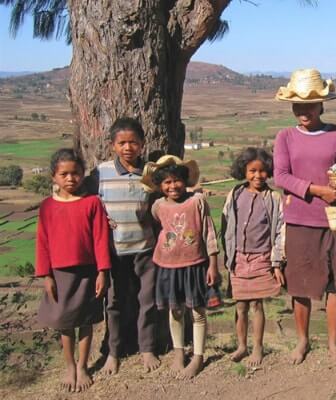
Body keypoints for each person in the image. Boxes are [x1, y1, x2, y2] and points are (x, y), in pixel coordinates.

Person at [273, 68, 336, 366]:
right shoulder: (285, 137)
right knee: (299, 286)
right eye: (298, 105)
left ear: (322, 105)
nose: (303, 111)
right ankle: (302, 341)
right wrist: (316, 190)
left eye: (310, 104)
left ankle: (333, 344)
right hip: (300, 220)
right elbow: (281, 177)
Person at [35, 148, 111, 392]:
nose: (70, 179)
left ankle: (82, 366)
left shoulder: (92, 203)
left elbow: (100, 239)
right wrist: (46, 275)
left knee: (86, 320)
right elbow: (42, 241)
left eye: (76, 173)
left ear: (83, 174)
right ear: (53, 177)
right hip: (59, 274)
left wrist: (103, 271)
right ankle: (69, 365)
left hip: (88, 272)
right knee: (64, 323)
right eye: (64, 174)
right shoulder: (47, 206)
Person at [90, 117, 160, 374]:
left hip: (146, 249)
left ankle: (147, 348)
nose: (128, 147)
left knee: (148, 301)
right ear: (112, 145)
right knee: (115, 303)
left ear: (142, 144)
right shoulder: (101, 173)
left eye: (133, 142)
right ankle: (114, 352)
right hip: (114, 252)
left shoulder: (150, 173)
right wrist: (101, 219)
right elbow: (88, 203)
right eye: (122, 143)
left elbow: (162, 199)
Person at [141, 155, 220, 379]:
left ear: (185, 180)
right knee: (175, 311)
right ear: (159, 185)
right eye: (166, 182)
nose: (172, 186)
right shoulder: (157, 206)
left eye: (176, 180)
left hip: (195, 265)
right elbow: (161, 229)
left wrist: (213, 264)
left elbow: (209, 232)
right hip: (168, 267)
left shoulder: (197, 201)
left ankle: (198, 356)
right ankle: (178, 354)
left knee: (197, 311)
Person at [221, 147, 285, 367]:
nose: (257, 175)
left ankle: (257, 347)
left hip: (261, 259)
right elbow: (226, 227)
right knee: (240, 306)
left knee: (257, 305)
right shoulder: (235, 194)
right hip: (238, 258)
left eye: (262, 171)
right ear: (244, 171)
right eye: (252, 171)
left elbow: (279, 231)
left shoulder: (274, 198)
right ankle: (241, 346)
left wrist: (276, 263)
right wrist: (228, 257)